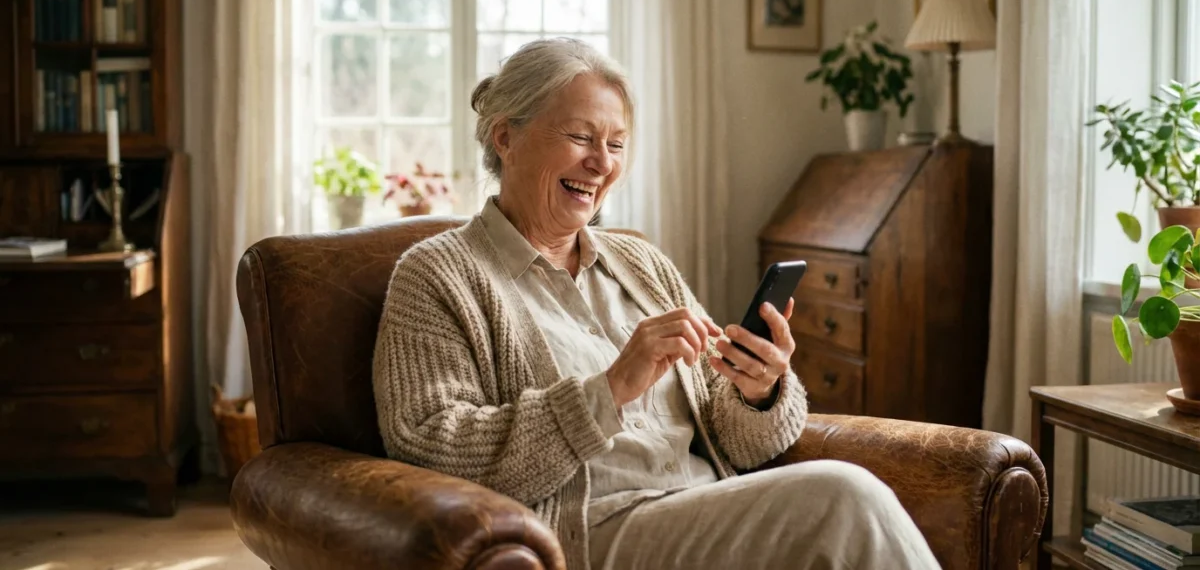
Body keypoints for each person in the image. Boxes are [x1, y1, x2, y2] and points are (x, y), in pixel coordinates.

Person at [372, 37, 940, 570]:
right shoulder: (436, 275)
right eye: (580, 137)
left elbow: (741, 442)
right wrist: (610, 389)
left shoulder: (639, 263)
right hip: (590, 530)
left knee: (841, 500)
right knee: (843, 496)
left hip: (705, 505)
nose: (602, 163)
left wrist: (758, 389)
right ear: (505, 138)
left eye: (616, 144)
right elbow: (431, 445)